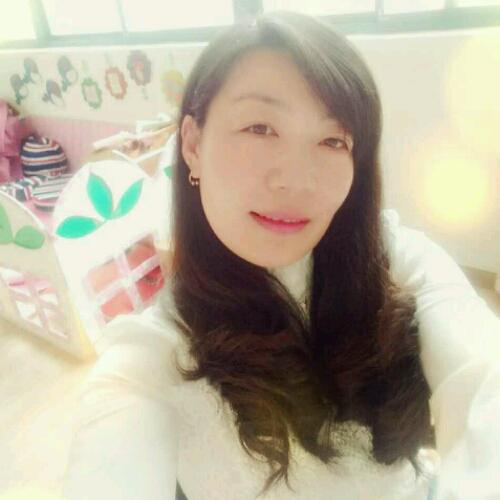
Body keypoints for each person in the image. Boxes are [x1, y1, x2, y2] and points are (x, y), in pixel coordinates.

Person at [62, 10, 500, 500]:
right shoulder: (155, 354)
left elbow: (484, 378)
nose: (297, 180)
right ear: (192, 143)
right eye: (260, 128)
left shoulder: (396, 260)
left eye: (333, 140)